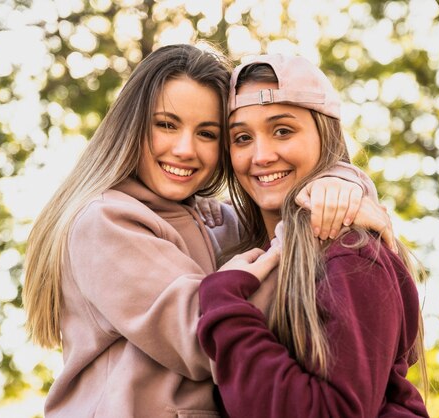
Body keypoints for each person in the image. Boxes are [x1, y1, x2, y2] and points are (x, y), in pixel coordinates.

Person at [23, 44, 393, 417]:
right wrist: (318, 225)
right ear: (131, 127)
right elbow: (204, 336)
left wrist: (342, 181)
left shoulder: (217, 221)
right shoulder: (104, 222)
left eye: (207, 133)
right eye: (166, 125)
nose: (185, 149)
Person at [197, 54, 429, 417]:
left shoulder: (350, 254)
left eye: (283, 130)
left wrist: (224, 305)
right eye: (242, 138)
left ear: (325, 133)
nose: (261, 156)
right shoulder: (244, 250)